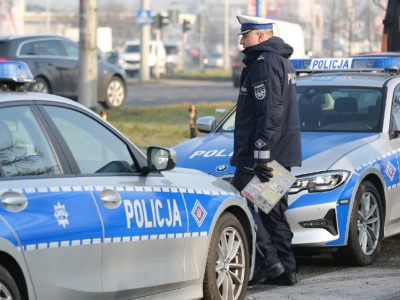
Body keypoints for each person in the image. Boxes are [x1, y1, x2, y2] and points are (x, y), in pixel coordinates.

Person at [230, 15, 302, 286]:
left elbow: (269, 111)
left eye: (245, 35)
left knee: (240, 201)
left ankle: (269, 262)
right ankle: (287, 269)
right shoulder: (282, 61)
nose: (241, 41)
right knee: (272, 212)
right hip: (280, 151)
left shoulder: (263, 63)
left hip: (261, 155)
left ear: (260, 36)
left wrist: (261, 153)